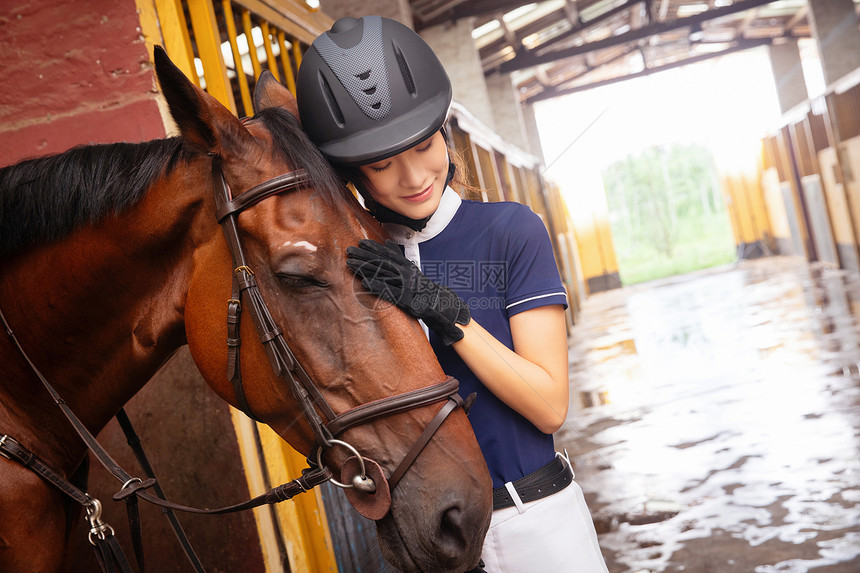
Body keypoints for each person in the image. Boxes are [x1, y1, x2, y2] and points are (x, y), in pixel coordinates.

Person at [296, 15, 609, 573]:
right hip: (432, 544)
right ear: (354, 175)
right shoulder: (360, 261)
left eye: (423, 145)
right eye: (381, 164)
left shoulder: (510, 232)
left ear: (444, 132)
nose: (413, 176)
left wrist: (444, 312)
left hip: (534, 523)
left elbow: (549, 405)